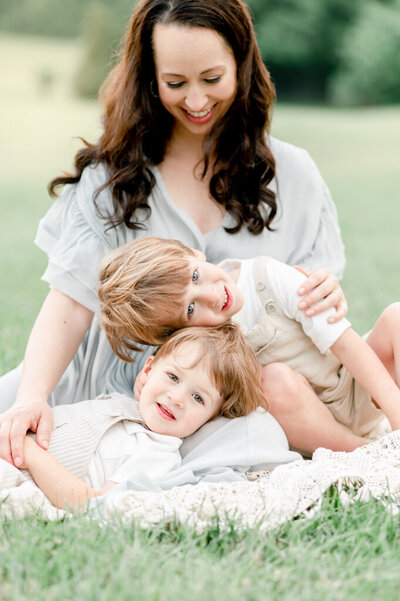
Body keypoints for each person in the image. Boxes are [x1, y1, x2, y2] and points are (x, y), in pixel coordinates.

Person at [0, 0, 347, 467]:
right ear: (150, 78)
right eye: (175, 83)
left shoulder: (295, 175)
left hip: (236, 406)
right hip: (106, 388)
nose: (197, 102)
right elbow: (70, 299)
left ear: (242, 65)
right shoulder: (113, 177)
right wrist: (33, 395)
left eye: (212, 79)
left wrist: (326, 291)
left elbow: (314, 307)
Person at [98, 237, 398, 454]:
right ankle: (367, 453)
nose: (211, 295)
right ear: (176, 331)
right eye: (191, 309)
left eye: (195, 276)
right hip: (307, 425)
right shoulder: (197, 349)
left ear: (193, 253)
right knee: (273, 382)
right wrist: (152, 388)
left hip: (358, 387)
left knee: (395, 317)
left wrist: (393, 409)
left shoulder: (267, 277)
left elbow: (348, 346)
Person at [0, 323, 272, 509]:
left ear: (209, 419)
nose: (176, 398)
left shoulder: (158, 453)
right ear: (147, 370)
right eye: (173, 377)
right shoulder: (117, 402)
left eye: (198, 398)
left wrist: (30, 452)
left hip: (18, 474)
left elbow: (90, 505)